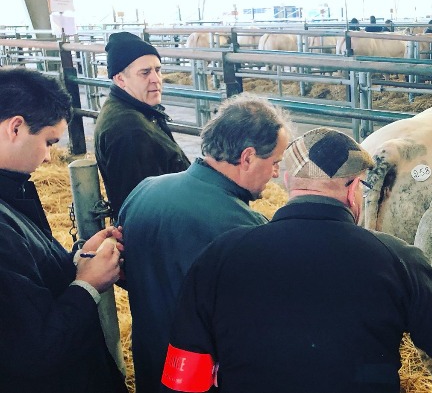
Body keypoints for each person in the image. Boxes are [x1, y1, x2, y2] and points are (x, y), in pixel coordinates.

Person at [161, 127, 432, 393]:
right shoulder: (396, 258)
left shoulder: (220, 255)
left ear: (288, 182)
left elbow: (184, 376)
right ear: (353, 188)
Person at [117, 93, 291, 393]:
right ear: (248, 157)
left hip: (151, 370)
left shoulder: (143, 192)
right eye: (275, 162)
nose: (276, 173)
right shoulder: (245, 228)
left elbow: (128, 273)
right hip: (204, 381)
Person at [0, 67, 126, 393]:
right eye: (48, 142)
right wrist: (88, 284)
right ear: (16, 127)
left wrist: (77, 261)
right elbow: (34, 351)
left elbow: (27, 285)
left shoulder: (11, 191)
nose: (47, 157)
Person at [94, 31, 191, 220]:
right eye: (145, 73)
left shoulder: (136, 112)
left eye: (158, 70)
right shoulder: (130, 131)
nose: (156, 79)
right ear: (120, 79)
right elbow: (144, 209)